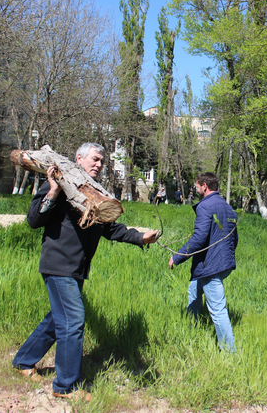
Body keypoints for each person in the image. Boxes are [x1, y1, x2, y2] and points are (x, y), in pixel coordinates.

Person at [12, 142, 158, 401]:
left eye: (102, 161)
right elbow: (34, 219)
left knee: (58, 319)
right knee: (73, 320)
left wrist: (139, 237)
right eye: (94, 159)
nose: (99, 165)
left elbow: (110, 228)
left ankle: (24, 360)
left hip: (77, 268)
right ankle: (65, 387)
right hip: (58, 265)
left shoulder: (93, 192)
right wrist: (54, 191)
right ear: (78, 158)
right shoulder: (62, 182)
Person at [169, 172, 238, 352]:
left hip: (212, 265)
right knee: (194, 289)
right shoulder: (228, 207)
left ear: (204, 186)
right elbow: (233, 239)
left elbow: (199, 238)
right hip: (224, 263)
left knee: (217, 310)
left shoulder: (205, 206)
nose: (196, 188)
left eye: (197, 186)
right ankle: (191, 328)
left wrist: (177, 257)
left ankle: (230, 353)